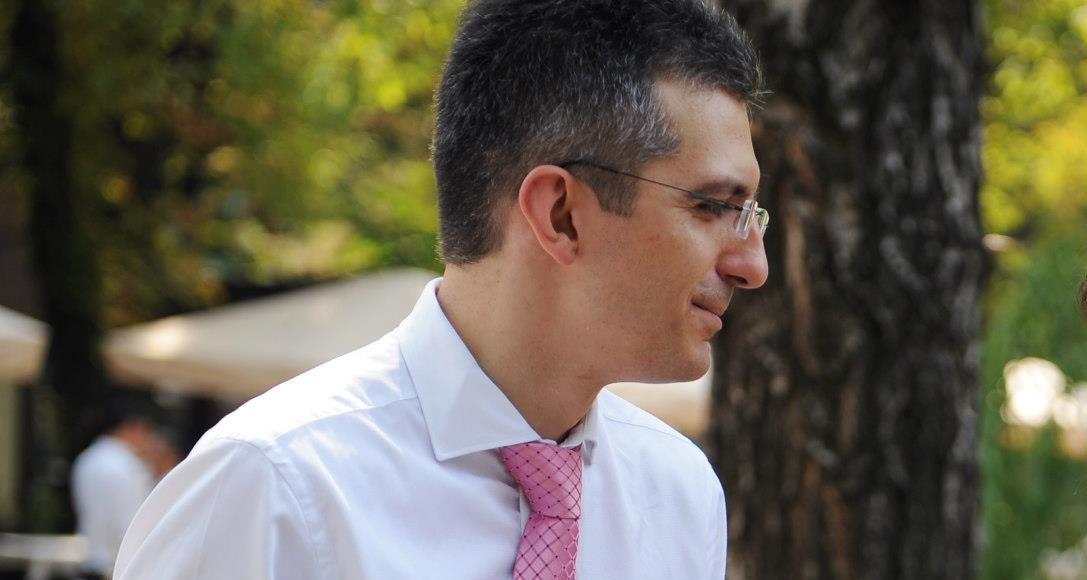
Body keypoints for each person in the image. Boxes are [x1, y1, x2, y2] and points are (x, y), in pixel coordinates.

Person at [116, 0, 768, 578]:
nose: (752, 265)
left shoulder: (678, 494)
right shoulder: (273, 486)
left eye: (750, 215)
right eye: (713, 206)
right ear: (560, 215)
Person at [71, 397, 177, 579]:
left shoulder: (88, 458)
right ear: (133, 427)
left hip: (91, 564)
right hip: (117, 569)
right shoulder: (128, 466)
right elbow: (135, 527)